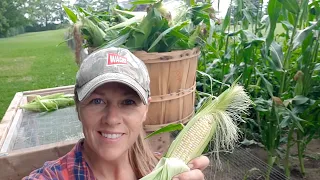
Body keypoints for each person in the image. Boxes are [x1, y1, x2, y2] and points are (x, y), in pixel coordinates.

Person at [22, 47, 209, 180]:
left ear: (146, 110)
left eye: (128, 102)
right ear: (78, 107)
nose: (112, 119)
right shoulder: (52, 176)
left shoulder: (166, 171)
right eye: (97, 101)